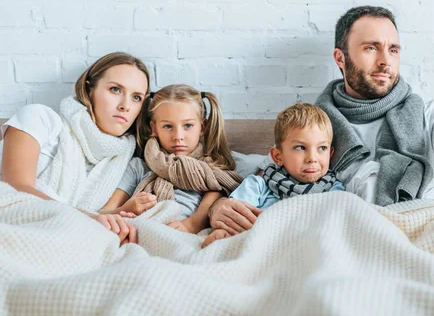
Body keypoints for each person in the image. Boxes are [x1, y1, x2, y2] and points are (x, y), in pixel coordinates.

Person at [207, 5, 434, 234]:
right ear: (340, 58)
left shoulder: (426, 112)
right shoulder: (313, 126)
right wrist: (220, 206)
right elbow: (270, 176)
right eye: (371, 48)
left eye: (393, 49)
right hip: (355, 236)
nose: (385, 60)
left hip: (429, 222)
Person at [0, 52, 151, 245]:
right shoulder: (40, 118)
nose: (125, 106)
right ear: (89, 90)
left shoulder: (123, 159)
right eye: (115, 89)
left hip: (63, 240)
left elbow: (85, 212)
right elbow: (17, 190)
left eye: (136, 97)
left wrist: (115, 215)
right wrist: (91, 219)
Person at [100, 84, 244, 234]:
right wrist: (126, 208)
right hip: (144, 230)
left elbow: (203, 215)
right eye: (168, 126)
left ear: (202, 127)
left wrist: (190, 225)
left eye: (188, 125)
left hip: (187, 236)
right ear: (154, 129)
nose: (178, 136)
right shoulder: (138, 166)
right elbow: (103, 213)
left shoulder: (211, 170)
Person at [202, 103, 344, 247]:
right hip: (265, 245)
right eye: (301, 147)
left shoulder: (335, 190)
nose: (312, 158)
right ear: (278, 156)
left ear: (330, 154)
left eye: (322, 148)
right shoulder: (258, 186)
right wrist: (221, 233)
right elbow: (234, 217)